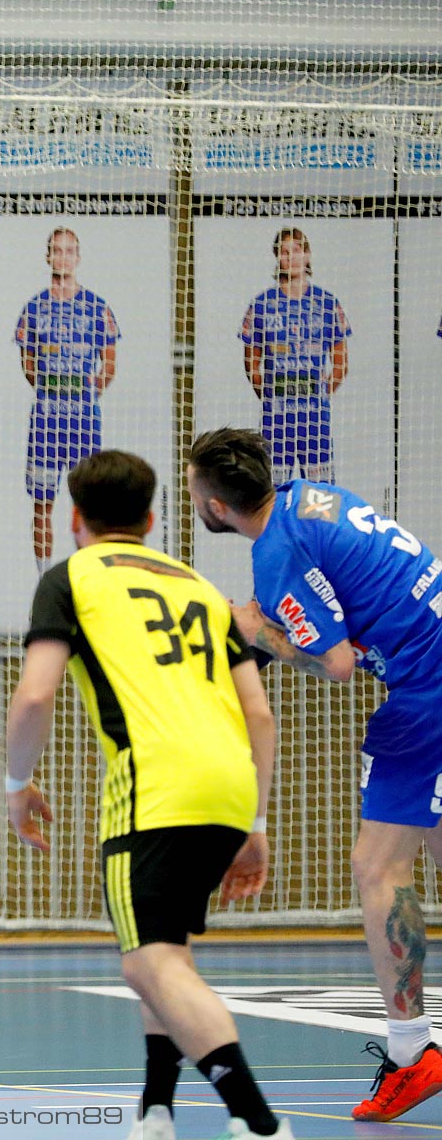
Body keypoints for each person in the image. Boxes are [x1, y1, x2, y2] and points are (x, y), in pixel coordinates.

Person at [6, 450, 287, 1140]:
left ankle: (256, 1122)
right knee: (167, 953)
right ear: (153, 519)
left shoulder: (70, 576)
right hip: (228, 781)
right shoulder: (196, 583)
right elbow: (259, 713)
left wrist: (16, 785)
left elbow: (37, 692)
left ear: (76, 518)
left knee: (148, 960)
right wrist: (253, 819)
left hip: (155, 788)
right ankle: (155, 1110)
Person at [188, 427, 442, 1123]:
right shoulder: (310, 498)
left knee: (377, 869)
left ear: (215, 504)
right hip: (432, 664)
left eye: (193, 491)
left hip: (430, 688)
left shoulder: (276, 553)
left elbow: (332, 662)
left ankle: (413, 1052)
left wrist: (251, 628)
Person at [13, 227, 120, 573]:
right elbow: (27, 363)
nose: (62, 257)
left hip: (83, 423)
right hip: (45, 421)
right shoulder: (34, 308)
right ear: (48, 257)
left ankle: (88, 577)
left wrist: (85, 396)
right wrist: (50, 392)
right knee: (41, 504)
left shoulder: (97, 307)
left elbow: (110, 363)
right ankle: (43, 579)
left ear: (78, 257)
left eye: (69, 251)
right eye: (56, 251)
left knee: (88, 506)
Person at [239, 227, 349, 485]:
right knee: (272, 496)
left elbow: (341, 362)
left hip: (314, 419)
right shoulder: (262, 304)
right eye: (284, 252)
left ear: (308, 255)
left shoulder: (327, 303)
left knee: (320, 498)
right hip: (275, 421)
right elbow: (251, 362)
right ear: (277, 258)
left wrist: (318, 394)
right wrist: (270, 395)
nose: (291, 258)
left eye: (297, 250)